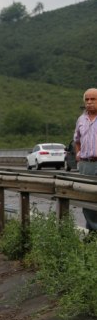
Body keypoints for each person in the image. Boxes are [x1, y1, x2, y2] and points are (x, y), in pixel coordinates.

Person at [73, 87, 97, 232]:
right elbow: (77, 140)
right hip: (86, 164)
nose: (89, 102)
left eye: (93, 99)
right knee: (87, 199)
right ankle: (93, 233)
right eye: (87, 99)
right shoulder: (81, 119)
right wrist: (78, 155)